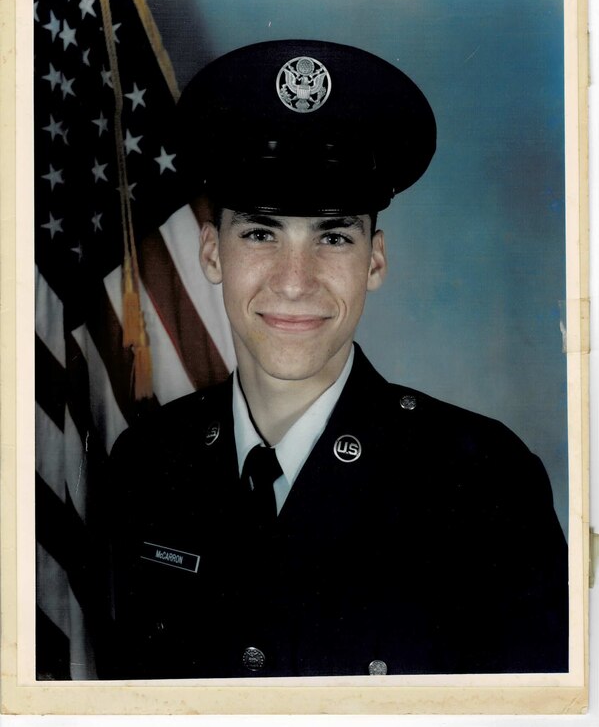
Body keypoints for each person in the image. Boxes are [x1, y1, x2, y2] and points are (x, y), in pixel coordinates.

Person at [98, 40, 568, 679]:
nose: (295, 281)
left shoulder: (481, 484)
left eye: (333, 236)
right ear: (212, 253)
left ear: (374, 259)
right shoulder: (146, 470)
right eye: (261, 232)